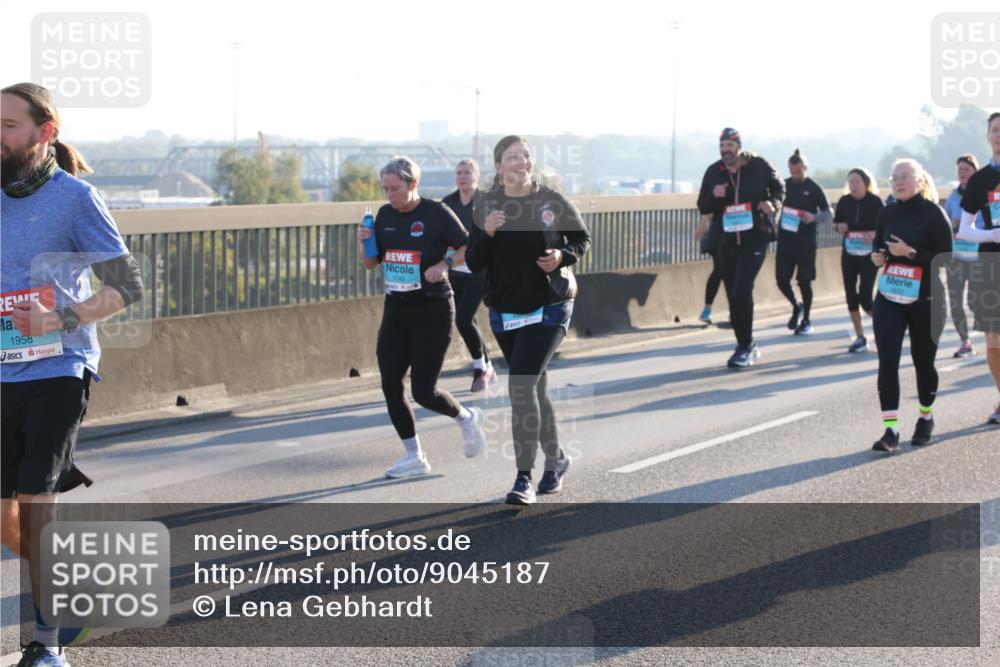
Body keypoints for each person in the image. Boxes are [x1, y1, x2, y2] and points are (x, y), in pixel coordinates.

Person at [1, 82, 144, 667]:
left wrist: (60, 317)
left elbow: (127, 286)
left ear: (45, 133)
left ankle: (47, 644)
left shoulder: (76, 199)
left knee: (38, 505)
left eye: (8, 125)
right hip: (2, 372)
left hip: (61, 365)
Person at [465, 136, 591, 505]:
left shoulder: (549, 200)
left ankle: (524, 478)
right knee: (532, 388)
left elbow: (582, 239)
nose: (522, 161)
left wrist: (562, 255)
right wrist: (486, 233)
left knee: (520, 386)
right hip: (507, 310)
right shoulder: (487, 204)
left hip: (549, 306)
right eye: (513, 157)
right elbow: (474, 261)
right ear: (499, 167)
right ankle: (557, 459)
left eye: (526, 156)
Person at [357, 156, 487, 478]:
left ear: (413, 184)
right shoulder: (385, 215)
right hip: (397, 310)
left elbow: (466, 246)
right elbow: (371, 263)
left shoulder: (436, 213)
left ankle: (466, 418)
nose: (389, 195)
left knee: (423, 391)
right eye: (385, 188)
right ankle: (415, 456)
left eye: (395, 188)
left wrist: (443, 264)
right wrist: (364, 241)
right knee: (390, 384)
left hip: (434, 310)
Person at [870, 159, 952, 451]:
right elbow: (878, 247)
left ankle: (925, 416)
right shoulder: (887, 212)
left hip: (926, 297)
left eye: (905, 176)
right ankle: (890, 431)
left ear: (920, 181)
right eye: (894, 178)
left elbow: (946, 258)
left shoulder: (933, 213)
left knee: (923, 362)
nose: (899, 181)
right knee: (888, 360)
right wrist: (877, 257)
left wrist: (911, 252)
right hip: (891, 295)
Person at [696, 127, 784, 368]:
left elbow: (779, 188)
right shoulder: (714, 172)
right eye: (722, 147)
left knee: (742, 290)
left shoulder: (759, 165)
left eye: (729, 146)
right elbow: (703, 205)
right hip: (726, 241)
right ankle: (747, 342)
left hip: (755, 238)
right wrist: (715, 196)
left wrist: (772, 203)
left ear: (739, 146)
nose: (725, 151)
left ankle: (743, 347)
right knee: (733, 296)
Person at [957, 111, 1000, 425]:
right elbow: (964, 230)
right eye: (995, 130)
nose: (999, 135)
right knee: (994, 339)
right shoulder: (980, 180)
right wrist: (992, 234)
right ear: (988, 136)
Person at [441, 160, 497, 391]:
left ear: (476, 176)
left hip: (478, 270)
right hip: (455, 270)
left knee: (463, 319)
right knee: (467, 320)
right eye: (459, 173)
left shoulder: (486, 202)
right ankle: (488, 365)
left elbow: (492, 236)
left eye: (467, 173)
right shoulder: (448, 203)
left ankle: (479, 368)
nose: (462, 176)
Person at [775, 149, 832, 335]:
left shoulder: (814, 188)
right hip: (786, 240)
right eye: (792, 172)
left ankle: (806, 318)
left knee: (804, 281)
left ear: (805, 168)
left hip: (806, 241)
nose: (795, 175)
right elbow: (774, 205)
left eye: (799, 172)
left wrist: (813, 217)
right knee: (782, 280)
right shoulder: (783, 185)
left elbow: (828, 213)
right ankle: (795, 305)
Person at [833, 168, 884, 353]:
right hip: (849, 253)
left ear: (866, 184)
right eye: (851, 182)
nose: (853, 186)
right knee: (850, 294)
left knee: (865, 295)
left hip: (869, 255)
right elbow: (835, 223)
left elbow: (886, 226)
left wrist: (874, 234)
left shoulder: (875, 202)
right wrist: (840, 226)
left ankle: (883, 326)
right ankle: (860, 336)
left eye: (857, 182)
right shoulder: (844, 201)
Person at [943, 154, 984, 358]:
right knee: (955, 301)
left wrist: (969, 227)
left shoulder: (983, 194)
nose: (962, 173)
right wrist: (953, 227)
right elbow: (945, 223)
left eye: (966, 169)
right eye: (959, 169)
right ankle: (965, 342)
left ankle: (990, 331)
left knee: (974, 302)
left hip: (978, 257)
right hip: (956, 257)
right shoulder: (952, 197)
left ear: (974, 172)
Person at [694, 213, 724, 324]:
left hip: (739, 231)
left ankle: (736, 310)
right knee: (719, 270)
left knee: (733, 273)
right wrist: (703, 224)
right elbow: (709, 204)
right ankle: (707, 308)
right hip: (719, 233)